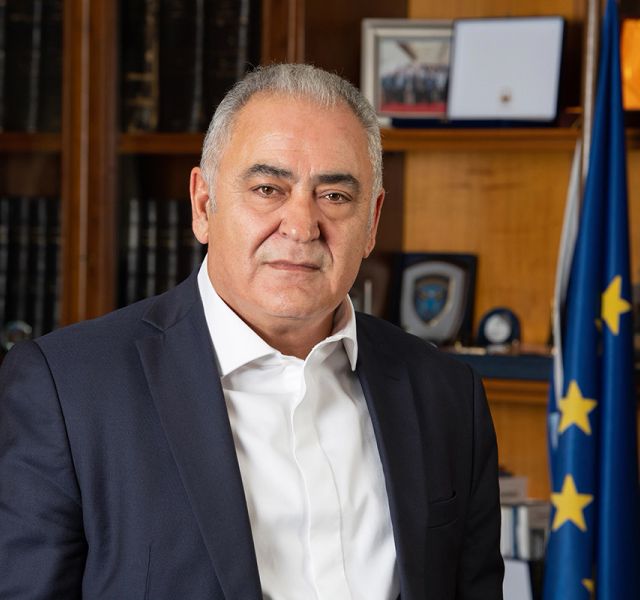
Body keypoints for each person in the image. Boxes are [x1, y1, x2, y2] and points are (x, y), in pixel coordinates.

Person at [0, 64, 503, 599]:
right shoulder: (67, 391)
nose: (302, 227)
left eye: (335, 196)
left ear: (372, 221)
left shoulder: (447, 395)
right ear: (203, 205)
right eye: (268, 188)